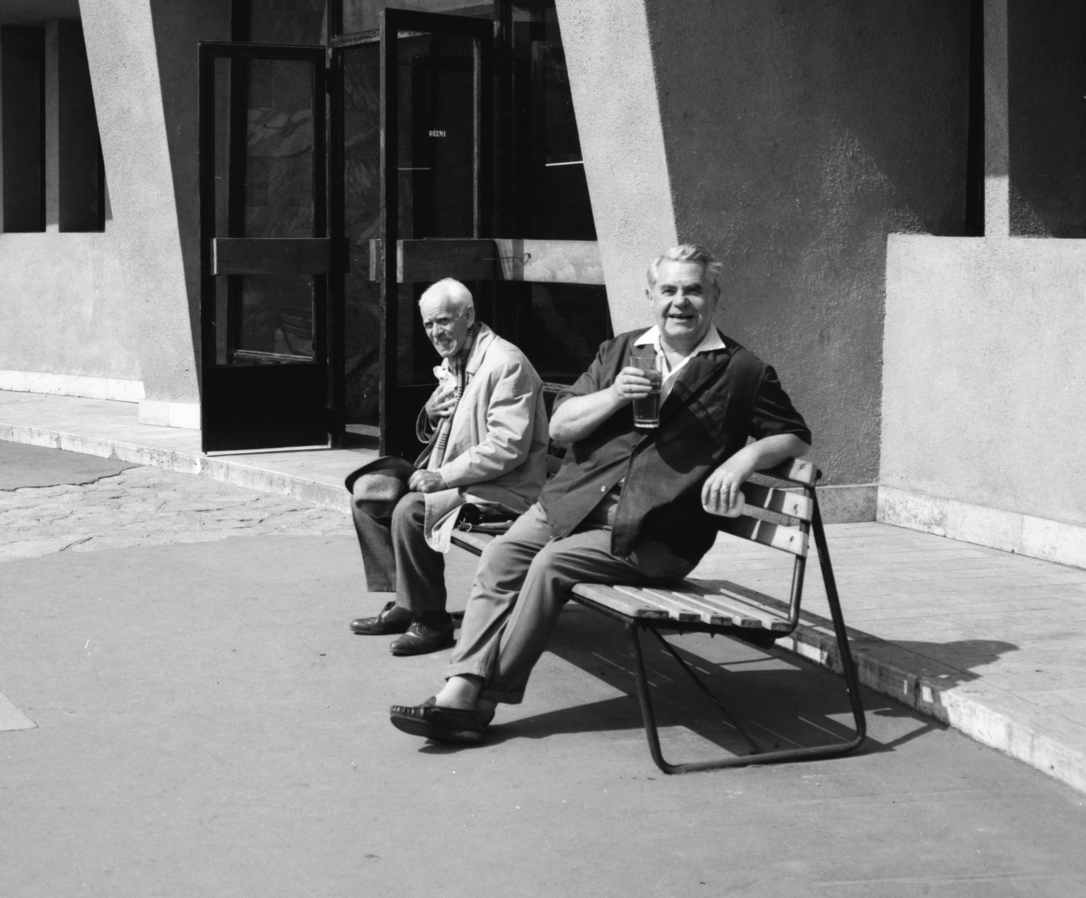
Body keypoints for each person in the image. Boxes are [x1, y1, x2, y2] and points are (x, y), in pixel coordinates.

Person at [389, 245, 811, 744]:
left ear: (714, 296)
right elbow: (562, 426)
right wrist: (613, 395)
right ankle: (463, 689)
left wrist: (744, 459)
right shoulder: (620, 351)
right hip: (573, 502)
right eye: (670, 290)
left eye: (693, 290)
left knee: (551, 566)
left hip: (654, 533)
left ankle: (472, 700)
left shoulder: (743, 371)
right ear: (651, 295)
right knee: (503, 556)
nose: (681, 302)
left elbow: (795, 435)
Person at [347, 278, 549, 656]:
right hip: (460, 478)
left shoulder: (505, 363)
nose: (436, 333)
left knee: (410, 510)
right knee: (370, 490)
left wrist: (441, 476)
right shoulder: (457, 359)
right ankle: (408, 601)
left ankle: (432, 619)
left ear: (468, 316)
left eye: (443, 321)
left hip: (503, 488)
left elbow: (508, 448)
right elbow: (448, 433)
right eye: (428, 325)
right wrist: (430, 413)